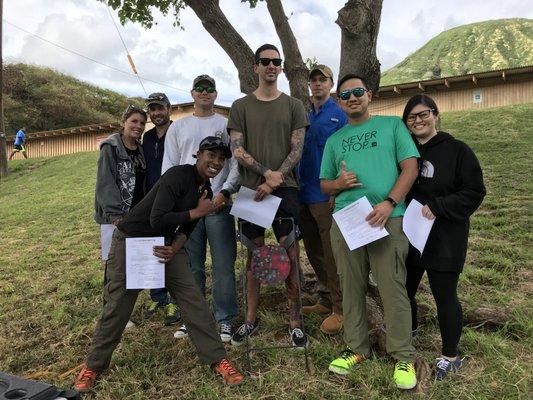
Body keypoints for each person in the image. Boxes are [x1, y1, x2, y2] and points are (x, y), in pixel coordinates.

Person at [74, 137, 245, 392]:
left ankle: (218, 360)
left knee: (193, 300)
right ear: (197, 154)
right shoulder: (177, 176)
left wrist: (174, 247)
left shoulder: (206, 191)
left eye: (221, 158)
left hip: (164, 245)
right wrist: (200, 212)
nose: (216, 162)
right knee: (119, 305)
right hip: (132, 240)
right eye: (211, 155)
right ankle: (93, 367)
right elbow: (157, 218)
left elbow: (187, 226)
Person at [319, 74, 420, 390]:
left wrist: (390, 203)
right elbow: (324, 184)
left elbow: (410, 167)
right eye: (346, 95)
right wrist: (338, 184)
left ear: (369, 95)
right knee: (351, 285)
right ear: (339, 102)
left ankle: (403, 354)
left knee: (392, 285)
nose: (352, 98)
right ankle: (357, 348)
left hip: (385, 218)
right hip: (348, 220)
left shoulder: (391, 126)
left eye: (358, 92)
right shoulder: (335, 140)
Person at [228, 43, 309, 348]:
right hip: (251, 193)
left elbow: (297, 148)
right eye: (266, 61)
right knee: (253, 257)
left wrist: (274, 180)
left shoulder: (294, 105)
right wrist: (265, 174)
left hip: (286, 190)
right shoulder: (240, 106)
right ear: (256, 67)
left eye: (277, 61)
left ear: (282, 67)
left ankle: (296, 322)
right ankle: (250, 319)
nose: (272, 66)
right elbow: (238, 149)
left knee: (290, 254)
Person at [402, 94, 485, 381]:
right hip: (411, 235)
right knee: (404, 289)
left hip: (445, 236)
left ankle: (450, 355)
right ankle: (408, 333)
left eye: (423, 114)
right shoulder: (404, 151)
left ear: (435, 115)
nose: (418, 121)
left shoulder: (458, 150)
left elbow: (475, 192)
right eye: (411, 117)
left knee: (444, 295)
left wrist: (440, 206)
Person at [162, 75, 239, 342]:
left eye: (210, 89)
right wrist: (180, 203)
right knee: (191, 266)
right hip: (188, 211)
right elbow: (169, 168)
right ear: (192, 93)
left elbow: (236, 165)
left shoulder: (227, 125)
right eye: (200, 89)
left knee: (223, 264)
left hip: (219, 206)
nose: (205, 93)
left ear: (216, 95)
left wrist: (225, 192)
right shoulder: (178, 127)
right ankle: (191, 318)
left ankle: (225, 318)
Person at [299, 65, 347, 335]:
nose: (317, 84)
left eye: (322, 80)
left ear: (331, 84)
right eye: (313, 80)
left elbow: (345, 155)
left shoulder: (338, 115)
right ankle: (325, 299)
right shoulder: (306, 116)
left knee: (332, 254)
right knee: (314, 251)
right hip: (304, 194)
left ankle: (340, 310)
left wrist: (337, 191)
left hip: (326, 196)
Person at [94, 105, 147, 329]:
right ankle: (111, 313)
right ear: (124, 122)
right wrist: (115, 215)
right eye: (134, 121)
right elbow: (105, 182)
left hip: (136, 216)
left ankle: (124, 311)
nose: (138, 126)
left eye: (142, 123)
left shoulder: (140, 149)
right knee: (114, 265)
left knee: (130, 265)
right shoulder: (111, 147)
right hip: (115, 217)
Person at [142, 92, 180, 326]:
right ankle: (158, 296)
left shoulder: (178, 131)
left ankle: (175, 299)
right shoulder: (146, 138)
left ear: (169, 109)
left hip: (174, 200)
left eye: (160, 108)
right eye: (152, 109)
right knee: (154, 246)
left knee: (173, 249)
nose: (157, 112)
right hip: (151, 201)